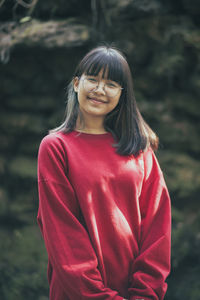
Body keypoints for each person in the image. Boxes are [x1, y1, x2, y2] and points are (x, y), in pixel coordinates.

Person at [37, 45, 171, 300]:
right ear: (77, 84)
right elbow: (63, 237)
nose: (100, 90)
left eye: (111, 83)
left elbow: (158, 228)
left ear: (122, 94)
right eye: (93, 79)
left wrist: (145, 294)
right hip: (78, 294)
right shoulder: (56, 147)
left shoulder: (139, 148)